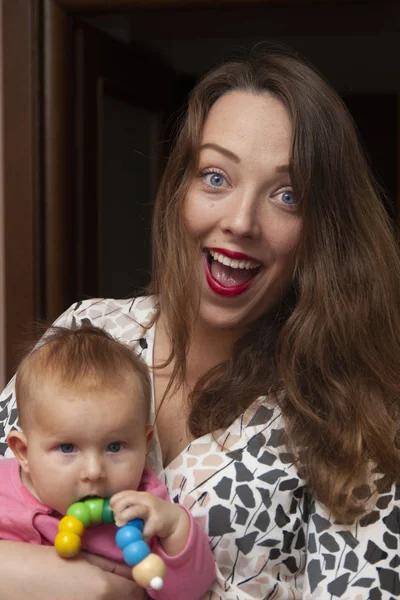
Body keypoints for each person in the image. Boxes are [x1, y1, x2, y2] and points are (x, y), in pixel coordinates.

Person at [1, 42, 400, 599]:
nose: (240, 221)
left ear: (322, 233)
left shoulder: (356, 420)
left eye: (287, 195)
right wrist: (88, 586)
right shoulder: (88, 331)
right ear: (179, 190)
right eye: (216, 177)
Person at [0, 325, 215, 600]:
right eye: (67, 448)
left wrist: (175, 528)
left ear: (144, 442)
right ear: (23, 452)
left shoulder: (144, 508)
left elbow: (187, 592)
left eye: (115, 447)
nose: (94, 472)